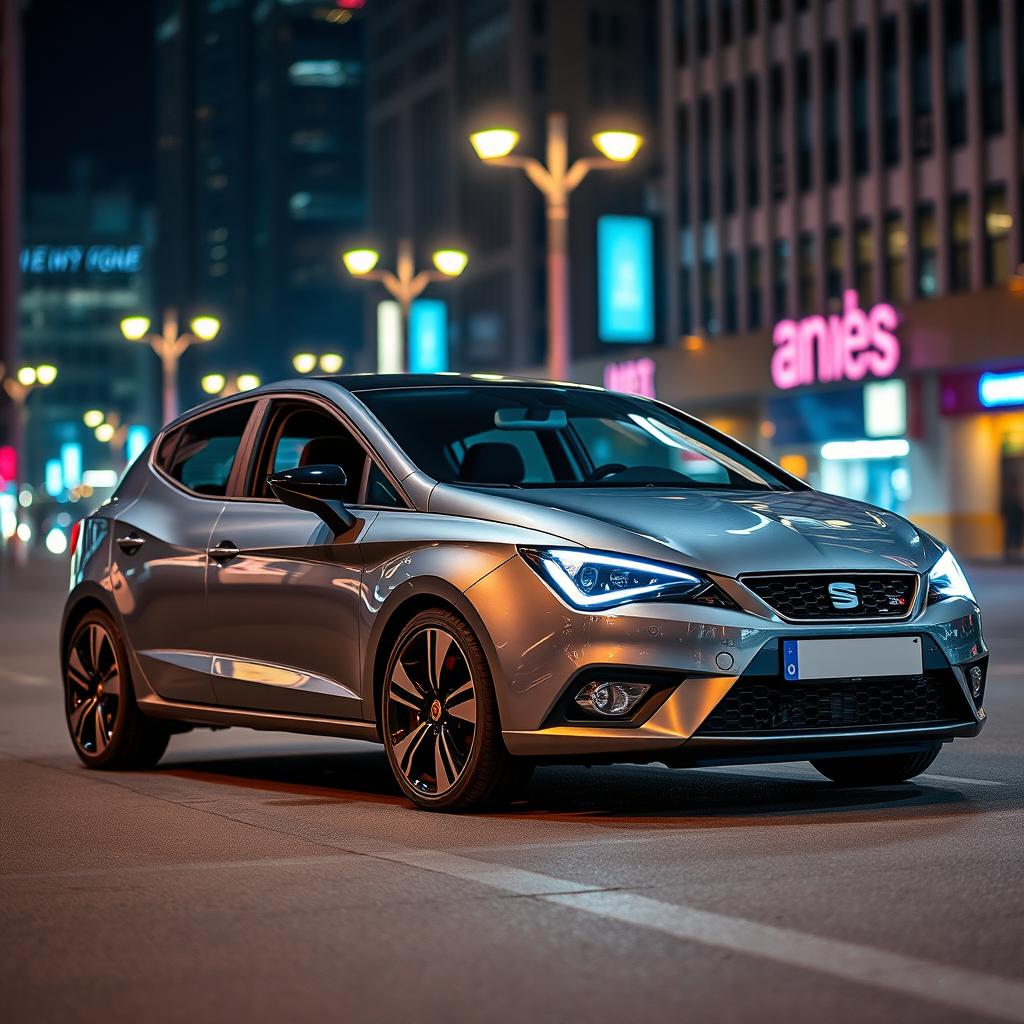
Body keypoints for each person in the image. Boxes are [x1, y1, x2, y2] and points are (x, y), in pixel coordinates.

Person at [1002, 464, 1024, 562]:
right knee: (1011, 535)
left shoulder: (1015, 497)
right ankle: (1010, 552)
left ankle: (1014, 552)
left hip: (1016, 521)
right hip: (1012, 521)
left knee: (1015, 535)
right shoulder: (1009, 498)